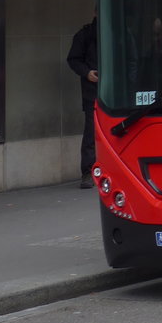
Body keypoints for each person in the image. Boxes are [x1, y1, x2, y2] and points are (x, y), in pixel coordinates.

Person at [67, 11, 98, 189]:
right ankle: (87, 172)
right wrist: (87, 73)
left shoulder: (120, 32)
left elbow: (132, 60)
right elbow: (73, 60)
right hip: (92, 91)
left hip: (114, 93)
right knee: (91, 133)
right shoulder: (85, 34)